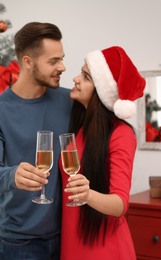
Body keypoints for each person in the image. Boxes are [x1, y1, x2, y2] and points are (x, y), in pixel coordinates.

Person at [0, 22, 73, 260]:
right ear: (28, 62)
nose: (62, 67)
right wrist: (13, 176)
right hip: (21, 243)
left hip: (70, 236)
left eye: (62, 58)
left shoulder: (70, 101)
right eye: (53, 61)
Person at [60, 46, 145, 259]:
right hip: (72, 244)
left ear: (101, 91)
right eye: (81, 72)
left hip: (105, 248)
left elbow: (120, 205)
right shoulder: (79, 128)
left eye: (86, 77)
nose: (76, 79)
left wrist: (87, 195)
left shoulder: (121, 134)